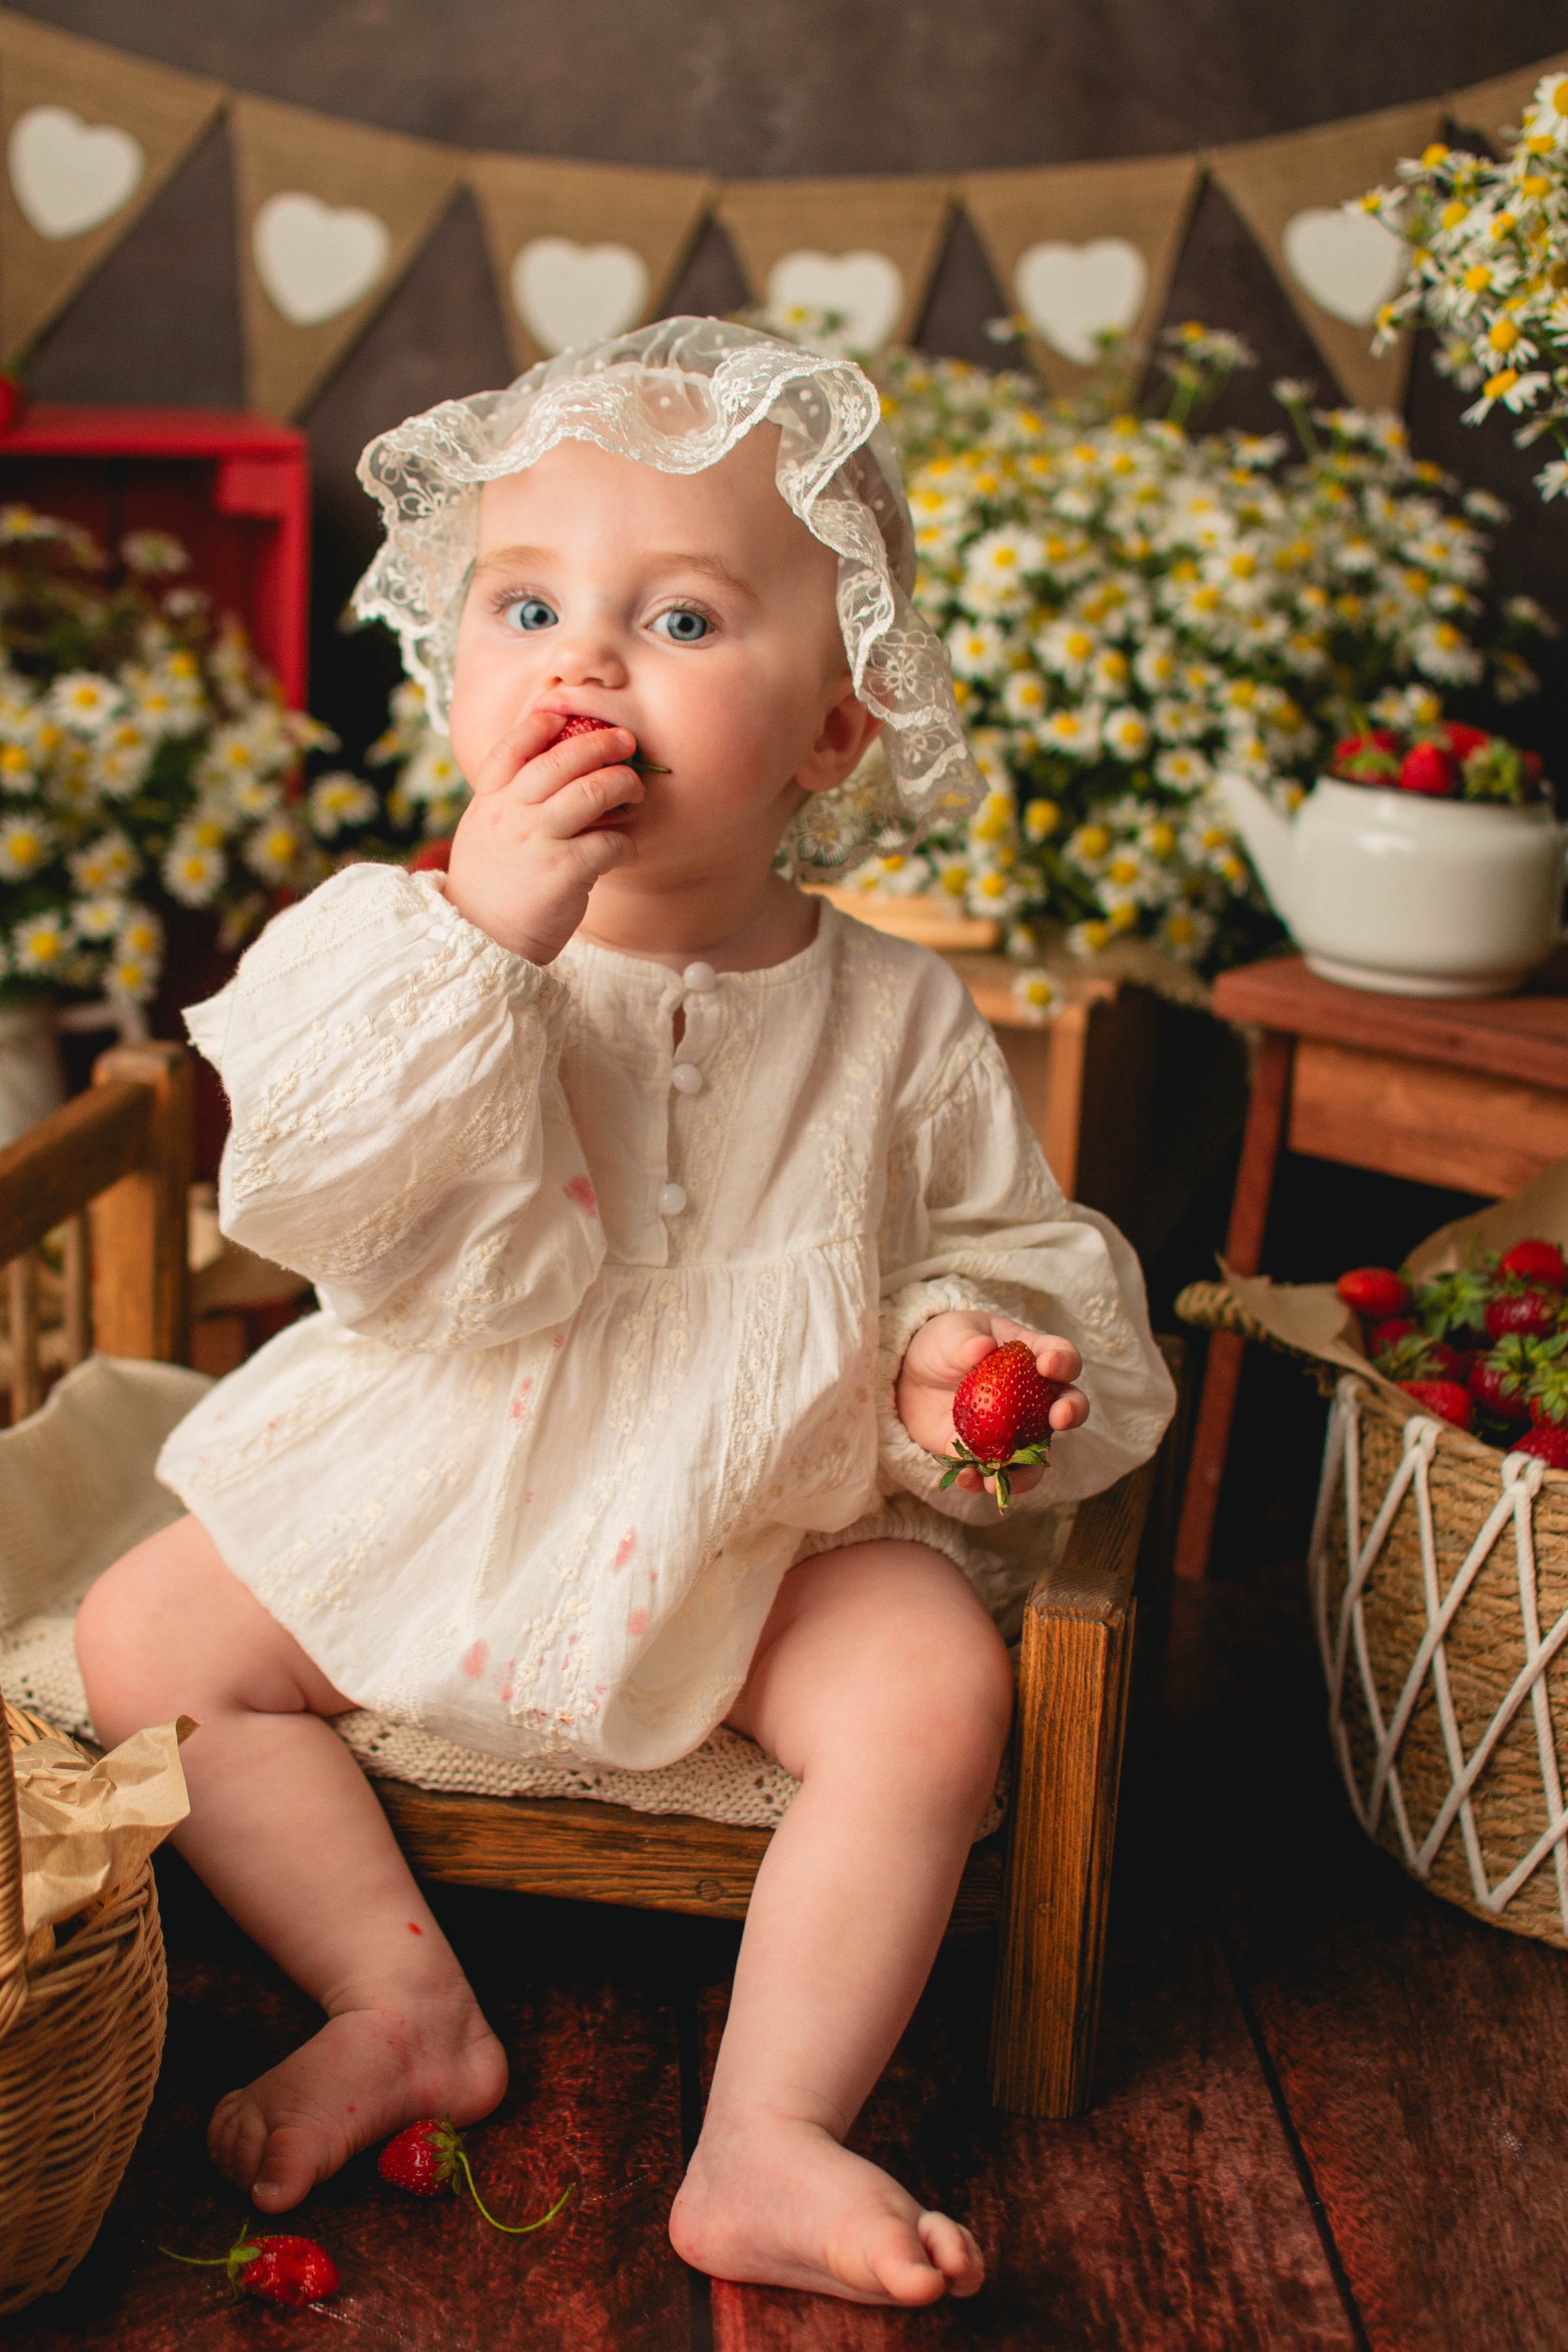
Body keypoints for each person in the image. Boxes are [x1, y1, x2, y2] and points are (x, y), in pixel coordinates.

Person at [77, 320, 1174, 2309]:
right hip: (447, 1461)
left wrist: (954, 1362)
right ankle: (398, 1996)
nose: (582, 662)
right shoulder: (395, 943)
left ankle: (764, 2129)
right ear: (458, 671)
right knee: (149, 1629)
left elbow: (1001, 1250)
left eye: (675, 614)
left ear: (833, 731)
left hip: (760, 1522)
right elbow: (310, 1189)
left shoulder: (897, 1014)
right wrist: (483, 940)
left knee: (930, 1688)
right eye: (526, 605)